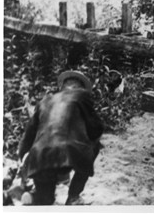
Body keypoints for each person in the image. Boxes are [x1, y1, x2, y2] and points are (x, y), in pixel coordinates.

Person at [17, 71, 104, 205]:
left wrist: (22, 157)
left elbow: (28, 136)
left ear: (62, 86)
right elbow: (96, 128)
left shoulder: (45, 101)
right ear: (81, 87)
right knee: (96, 145)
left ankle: (35, 196)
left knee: (46, 200)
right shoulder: (82, 96)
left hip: (39, 157)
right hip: (69, 155)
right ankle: (73, 196)